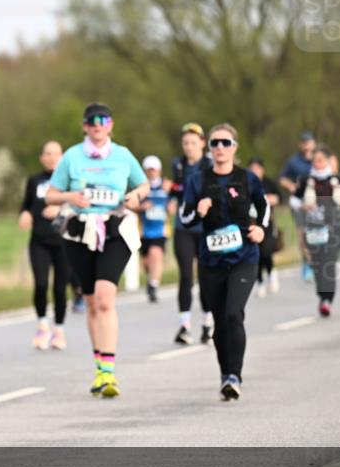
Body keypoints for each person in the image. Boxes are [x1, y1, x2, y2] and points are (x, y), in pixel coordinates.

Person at [45, 103, 149, 398]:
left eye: (102, 120)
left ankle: (109, 372)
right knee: (91, 302)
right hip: (80, 233)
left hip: (115, 229)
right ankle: (99, 367)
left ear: (111, 124)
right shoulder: (72, 157)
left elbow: (143, 186)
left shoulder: (123, 155)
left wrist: (134, 196)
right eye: (92, 121)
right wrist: (69, 196)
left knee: (105, 299)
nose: (97, 125)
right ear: (84, 126)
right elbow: (51, 196)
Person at [179, 124, 268, 401]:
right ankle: (225, 374)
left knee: (233, 313)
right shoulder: (198, 180)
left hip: (244, 258)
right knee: (220, 322)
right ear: (209, 148)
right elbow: (184, 218)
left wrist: (261, 229)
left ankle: (235, 375)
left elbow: (264, 208)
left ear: (235, 147)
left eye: (225, 143)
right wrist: (198, 210)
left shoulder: (248, 178)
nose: (220, 147)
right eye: (215, 143)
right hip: (211, 262)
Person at [19, 140, 71, 349]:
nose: (51, 158)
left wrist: (60, 210)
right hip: (39, 241)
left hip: (63, 242)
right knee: (41, 284)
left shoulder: (69, 181)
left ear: (62, 157)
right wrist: (25, 214)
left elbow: (79, 206)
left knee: (60, 288)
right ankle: (42, 326)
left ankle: (58, 330)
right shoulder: (34, 181)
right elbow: (26, 205)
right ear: (41, 158)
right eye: (47, 154)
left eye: (55, 154)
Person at [290, 146, 340, 317]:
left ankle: (327, 300)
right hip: (313, 229)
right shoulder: (305, 180)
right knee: (318, 264)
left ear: (327, 161)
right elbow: (293, 200)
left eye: (320, 160)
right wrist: (303, 205)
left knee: (329, 263)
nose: (317, 164)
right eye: (314, 161)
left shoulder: (336, 180)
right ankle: (322, 296)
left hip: (333, 228)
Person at [169, 123, 214, 345]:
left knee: (205, 276)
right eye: (185, 143)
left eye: (193, 143)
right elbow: (175, 191)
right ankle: (184, 325)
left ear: (203, 144)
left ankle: (207, 322)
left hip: (205, 229)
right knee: (186, 275)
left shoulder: (210, 165)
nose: (189, 147)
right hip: (183, 227)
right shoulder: (178, 165)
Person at [279, 131, 318, 281]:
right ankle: (307, 264)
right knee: (302, 235)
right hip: (299, 203)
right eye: (303, 142)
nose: (306, 144)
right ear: (300, 144)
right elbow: (282, 178)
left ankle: (318, 262)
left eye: (309, 141)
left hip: (316, 203)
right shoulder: (293, 161)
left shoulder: (319, 159)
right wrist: (291, 186)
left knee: (317, 234)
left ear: (314, 143)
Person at [247, 158, 282, 297]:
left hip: (267, 223)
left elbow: (279, 197)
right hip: (251, 222)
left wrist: (273, 199)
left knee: (267, 251)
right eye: (252, 169)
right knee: (256, 253)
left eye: (257, 168)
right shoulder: (245, 183)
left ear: (262, 170)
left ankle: (271, 272)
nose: (255, 172)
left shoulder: (268, 183)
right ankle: (259, 281)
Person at [139, 155, 170, 303]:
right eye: (149, 170)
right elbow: (130, 204)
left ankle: (154, 285)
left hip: (160, 230)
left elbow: (176, 199)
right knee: (146, 262)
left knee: (155, 254)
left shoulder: (166, 185)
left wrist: (171, 206)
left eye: (154, 170)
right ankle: (151, 280)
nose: (152, 172)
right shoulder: (140, 187)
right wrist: (141, 207)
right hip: (144, 231)